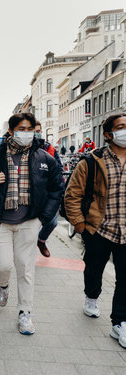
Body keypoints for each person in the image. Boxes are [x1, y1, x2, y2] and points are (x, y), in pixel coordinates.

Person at [0, 113, 62, 335]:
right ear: (11, 131)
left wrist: (43, 218)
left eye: (30, 129)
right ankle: (2, 285)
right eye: (21, 128)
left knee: (26, 268)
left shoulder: (44, 159)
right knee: (3, 266)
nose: (26, 133)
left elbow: (57, 189)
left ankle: (25, 314)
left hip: (29, 222)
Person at [64, 113, 126, 349]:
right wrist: (81, 225)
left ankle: (120, 322)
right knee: (94, 270)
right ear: (108, 134)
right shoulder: (91, 161)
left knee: (125, 279)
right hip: (99, 229)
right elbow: (72, 194)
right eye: (121, 127)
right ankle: (91, 296)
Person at [34, 121, 62, 257]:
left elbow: (58, 169)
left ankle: (41, 240)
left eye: (39, 130)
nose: (37, 133)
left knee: (52, 222)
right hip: (29, 195)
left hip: (47, 193)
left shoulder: (49, 149)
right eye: (34, 130)